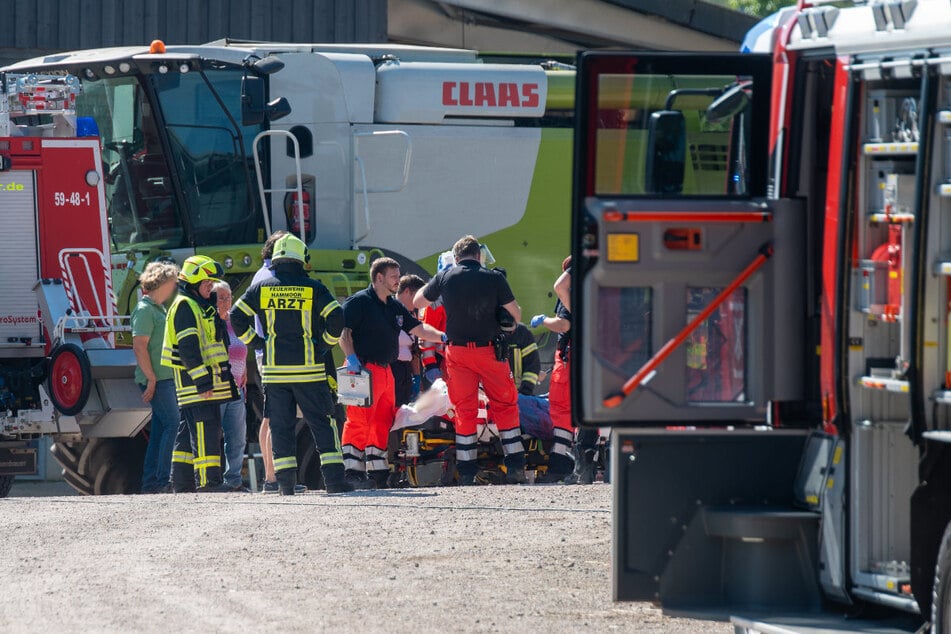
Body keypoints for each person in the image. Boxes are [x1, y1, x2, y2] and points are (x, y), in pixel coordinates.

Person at [231, 234, 351, 495]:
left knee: (280, 426)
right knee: (322, 423)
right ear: (301, 258)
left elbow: (236, 315)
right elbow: (336, 317)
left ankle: (285, 485)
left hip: (275, 374)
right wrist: (323, 344)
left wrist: (257, 342)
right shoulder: (313, 288)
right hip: (309, 371)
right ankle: (334, 482)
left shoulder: (261, 288)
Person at [414, 235, 527, 485]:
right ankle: (516, 466)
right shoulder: (495, 277)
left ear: (456, 257)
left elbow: (418, 301)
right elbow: (515, 315)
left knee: (464, 410)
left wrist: (440, 283)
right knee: (505, 405)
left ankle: (466, 472)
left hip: (459, 354)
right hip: (490, 352)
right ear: (478, 255)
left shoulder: (446, 277)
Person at [340, 257, 446, 489]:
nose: (398, 281)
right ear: (379, 278)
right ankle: (352, 471)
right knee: (359, 419)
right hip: (364, 370)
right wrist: (351, 358)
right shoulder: (359, 303)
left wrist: (442, 336)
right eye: (393, 277)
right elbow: (343, 332)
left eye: (398, 277)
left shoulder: (393, 305)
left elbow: (418, 328)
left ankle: (377, 471)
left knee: (383, 420)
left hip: (386, 371)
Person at [161, 255, 237, 493]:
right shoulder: (185, 306)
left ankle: (182, 483)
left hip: (201, 383)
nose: (211, 287)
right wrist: (203, 381)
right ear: (193, 281)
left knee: (187, 433)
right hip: (197, 384)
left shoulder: (197, 305)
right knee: (206, 429)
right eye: (207, 283)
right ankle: (209, 482)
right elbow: (188, 349)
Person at [246, 230, 305, 494]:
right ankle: (274, 479)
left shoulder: (261, 275)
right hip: (274, 356)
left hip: (266, 355)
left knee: (270, 417)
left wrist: (257, 343)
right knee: (276, 417)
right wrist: (260, 343)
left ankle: (272, 477)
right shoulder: (271, 277)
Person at [531, 256, 596, 484]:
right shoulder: (595, 293)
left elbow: (564, 324)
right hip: (591, 354)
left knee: (562, 411)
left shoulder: (571, 293)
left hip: (569, 358)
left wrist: (544, 321)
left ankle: (560, 467)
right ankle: (583, 466)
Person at [132, 260, 180, 494]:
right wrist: (151, 378)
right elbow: (140, 346)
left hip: (162, 378)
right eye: (172, 283)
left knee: (162, 429)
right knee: (173, 423)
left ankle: (152, 483)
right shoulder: (144, 310)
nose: (174, 287)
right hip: (158, 380)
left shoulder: (157, 308)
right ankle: (163, 480)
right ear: (162, 283)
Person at [214, 281, 250, 492]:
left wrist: (243, 369)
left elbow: (242, 348)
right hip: (217, 389)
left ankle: (233, 480)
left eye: (228, 297)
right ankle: (213, 480)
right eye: (221, 297)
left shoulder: (235, 321)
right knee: (214, 437)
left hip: (237, 388)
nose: (226, 301)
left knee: (236, 438)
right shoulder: (209, 322)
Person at [394, 274, 426, 406]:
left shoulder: (412, 314)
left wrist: (417, 377)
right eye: (417, 297)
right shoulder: (388, 310)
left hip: (405, 372)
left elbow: (414, 350)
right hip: (390, 369)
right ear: (407, 291)